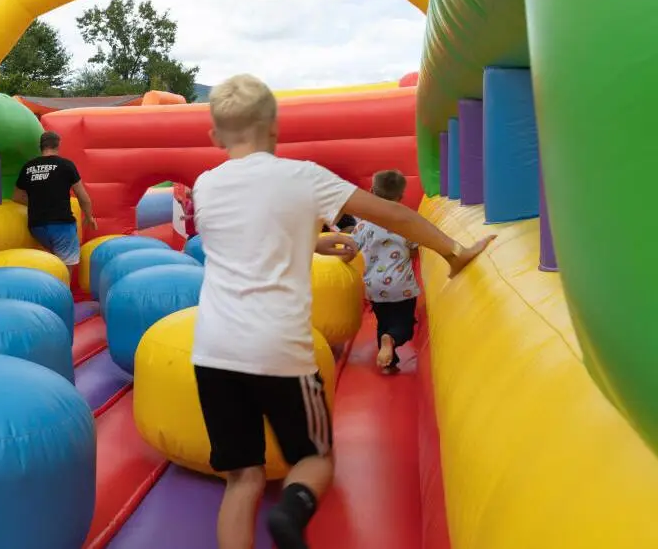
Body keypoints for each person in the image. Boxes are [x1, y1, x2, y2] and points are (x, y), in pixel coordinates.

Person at [190, 74, 494, 549]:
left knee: (242, 479)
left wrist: (318, 241)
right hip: (278, 350)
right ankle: (292, 513)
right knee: (314, 461)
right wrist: (453, 252)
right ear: (274, 129)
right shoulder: (303, 176)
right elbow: (394, 215)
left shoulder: (205, 185)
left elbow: (254, 237)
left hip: (212, 351)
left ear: (215, 136)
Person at [348, 170, 419, 374]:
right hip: (401, 286)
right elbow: (414, 249)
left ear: (371, 192)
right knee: (404, 325)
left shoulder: (362, 223)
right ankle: (392, 340)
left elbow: (351, 248)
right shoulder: (406, 221)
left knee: (384, 322)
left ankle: (389, 364)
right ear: (400, 197)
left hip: (375, 287)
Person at [13, 131, 97, 268]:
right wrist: (89, 216)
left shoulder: (28, 167)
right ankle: (63, 289)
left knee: (51, 263)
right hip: (61, 225)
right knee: (66, 267)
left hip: (36, 227)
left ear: (41, 146)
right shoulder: (66, 165)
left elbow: (17, 197)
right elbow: (83, 197)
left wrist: (38, 202)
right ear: (58, 145)